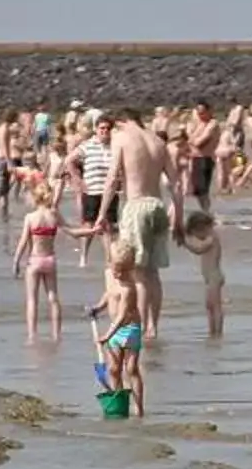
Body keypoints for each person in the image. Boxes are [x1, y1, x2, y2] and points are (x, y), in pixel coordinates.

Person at [94, 108, 179, 340]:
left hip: (137, 205)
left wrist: (102, 212)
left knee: (137, 273)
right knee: (153, 272)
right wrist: (178, 213)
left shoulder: (122, 138)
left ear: (121, 122)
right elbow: (175, 183)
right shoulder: (157, 141)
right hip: (158, 206)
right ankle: (154, 327)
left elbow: (112, 179)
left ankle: (140, 328)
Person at [92, 242, 148, 417]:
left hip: (129, 329)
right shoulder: (112, 278)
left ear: (131, 268)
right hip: (114, 330)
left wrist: (107, 335)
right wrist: (98, 308)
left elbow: (122, 315)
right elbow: (108, 295)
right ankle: (119, 401)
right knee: (114, 369)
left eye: (122, 271)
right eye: (115, 269)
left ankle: (139, 407)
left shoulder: (129, 288)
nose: (117, 274)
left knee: (131, 369)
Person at [13, 181, 68, 342]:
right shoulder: (54, 215)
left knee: (32, 300)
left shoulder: (30, 217)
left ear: (36, 198)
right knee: (53, 298)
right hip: (50, 259)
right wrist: (91, 230)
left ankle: (32, 335)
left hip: (35, 260)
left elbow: (23, 241)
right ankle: (57, 335)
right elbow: (72, 230)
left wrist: (16, 261)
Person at [66, 116, 116, 269]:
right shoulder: (87, 145)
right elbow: (69, 161)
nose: (105, 131)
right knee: (89, 226)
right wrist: (78, 180)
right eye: (102, 128)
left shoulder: (115, 146)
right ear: (96, 129)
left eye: (107, 128)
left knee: (108, 227)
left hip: (110, 192)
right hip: (92, 190)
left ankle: (110, 260)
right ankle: (83, 257)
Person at [174, 212, 226, 338]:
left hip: (215, 277)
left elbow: (199, 249)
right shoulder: (208, 237)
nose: (196, 237)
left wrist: (185, 243)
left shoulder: (211, 238)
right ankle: (212, 329)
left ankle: (218, 331)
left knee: (216, 306)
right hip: (210, 278)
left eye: (196, 233)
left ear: (203, 228)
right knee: (209, 306)